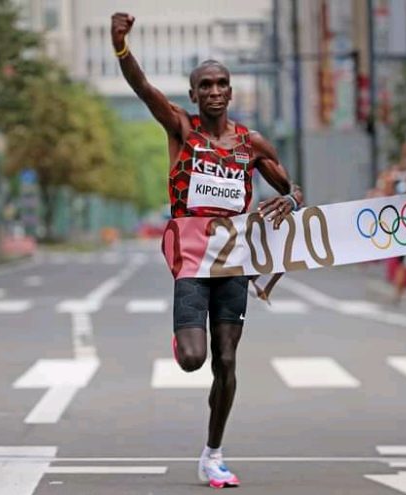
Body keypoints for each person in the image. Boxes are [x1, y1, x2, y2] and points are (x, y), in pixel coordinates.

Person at [111, 12, 303, 489]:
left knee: (228, 361)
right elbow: (142, 88)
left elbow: (291, 187)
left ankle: (213, 454)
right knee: (195, 359)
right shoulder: (181, 127)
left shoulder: (249, 143)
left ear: (230, 92)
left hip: (235, 259)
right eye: (206, 85)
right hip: (193, 259)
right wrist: (120, 46)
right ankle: (183, 341)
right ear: (194, 94)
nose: (215, 91)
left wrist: (292, 200)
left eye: (221, 84)